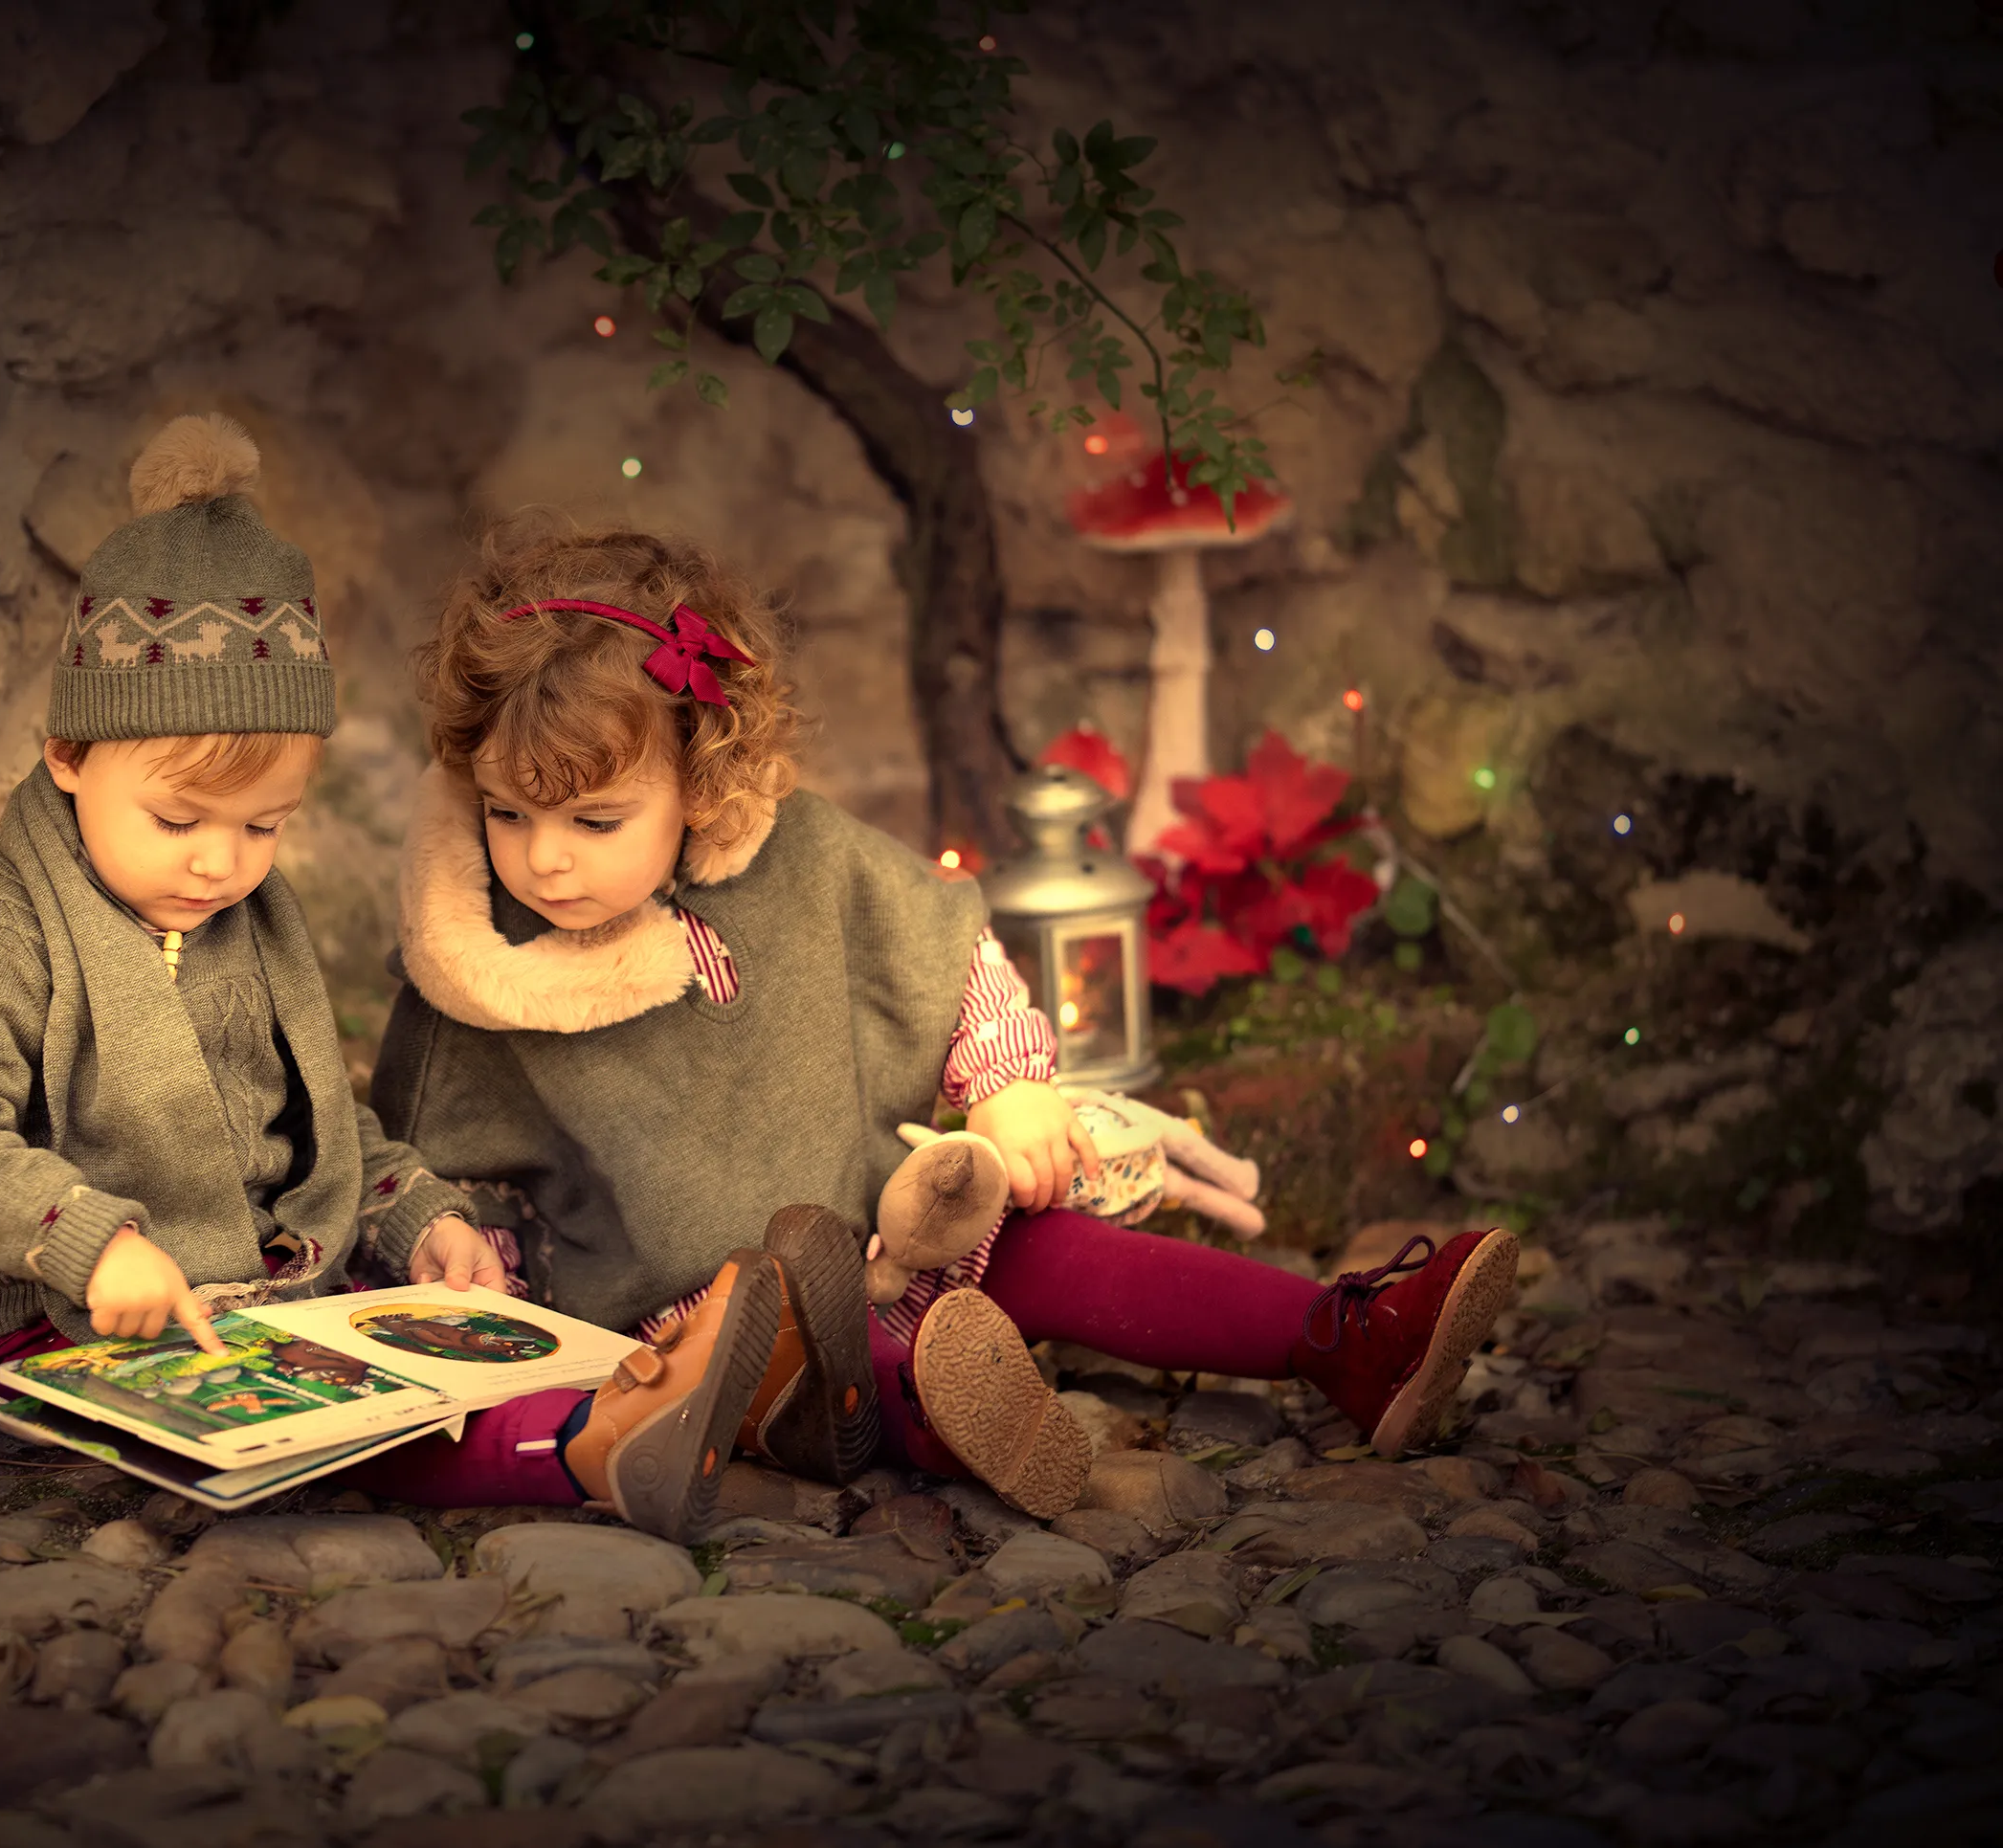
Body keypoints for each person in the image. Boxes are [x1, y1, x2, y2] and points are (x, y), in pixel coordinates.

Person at [365, 519, 1521, 1520]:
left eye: (595, 820)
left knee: (1065, 1254)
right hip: (695, 1308)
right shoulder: (487, 965)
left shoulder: (805, 862)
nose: (543, 858)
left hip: (894, 1223)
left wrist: (1011, 1087)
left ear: (701, 780)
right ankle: (949, 1411)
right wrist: (463, 1240)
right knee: (801, 1350)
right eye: (508, 813)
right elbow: (448, 1154)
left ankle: (1347, 1339)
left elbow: (947, 954)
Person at [0, 412, 494, 1404]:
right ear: (70, 756)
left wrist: (411, 1212)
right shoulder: (1, 933)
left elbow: (317, 1132)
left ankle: (596, 1426)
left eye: (265, 827)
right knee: (336, 1422)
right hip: (72, 1315)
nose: (220, 864)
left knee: (441, 1372)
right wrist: (86, 1240)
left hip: (270, 1296)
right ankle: (579, 1447)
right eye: (176, 819)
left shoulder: (255, 928)